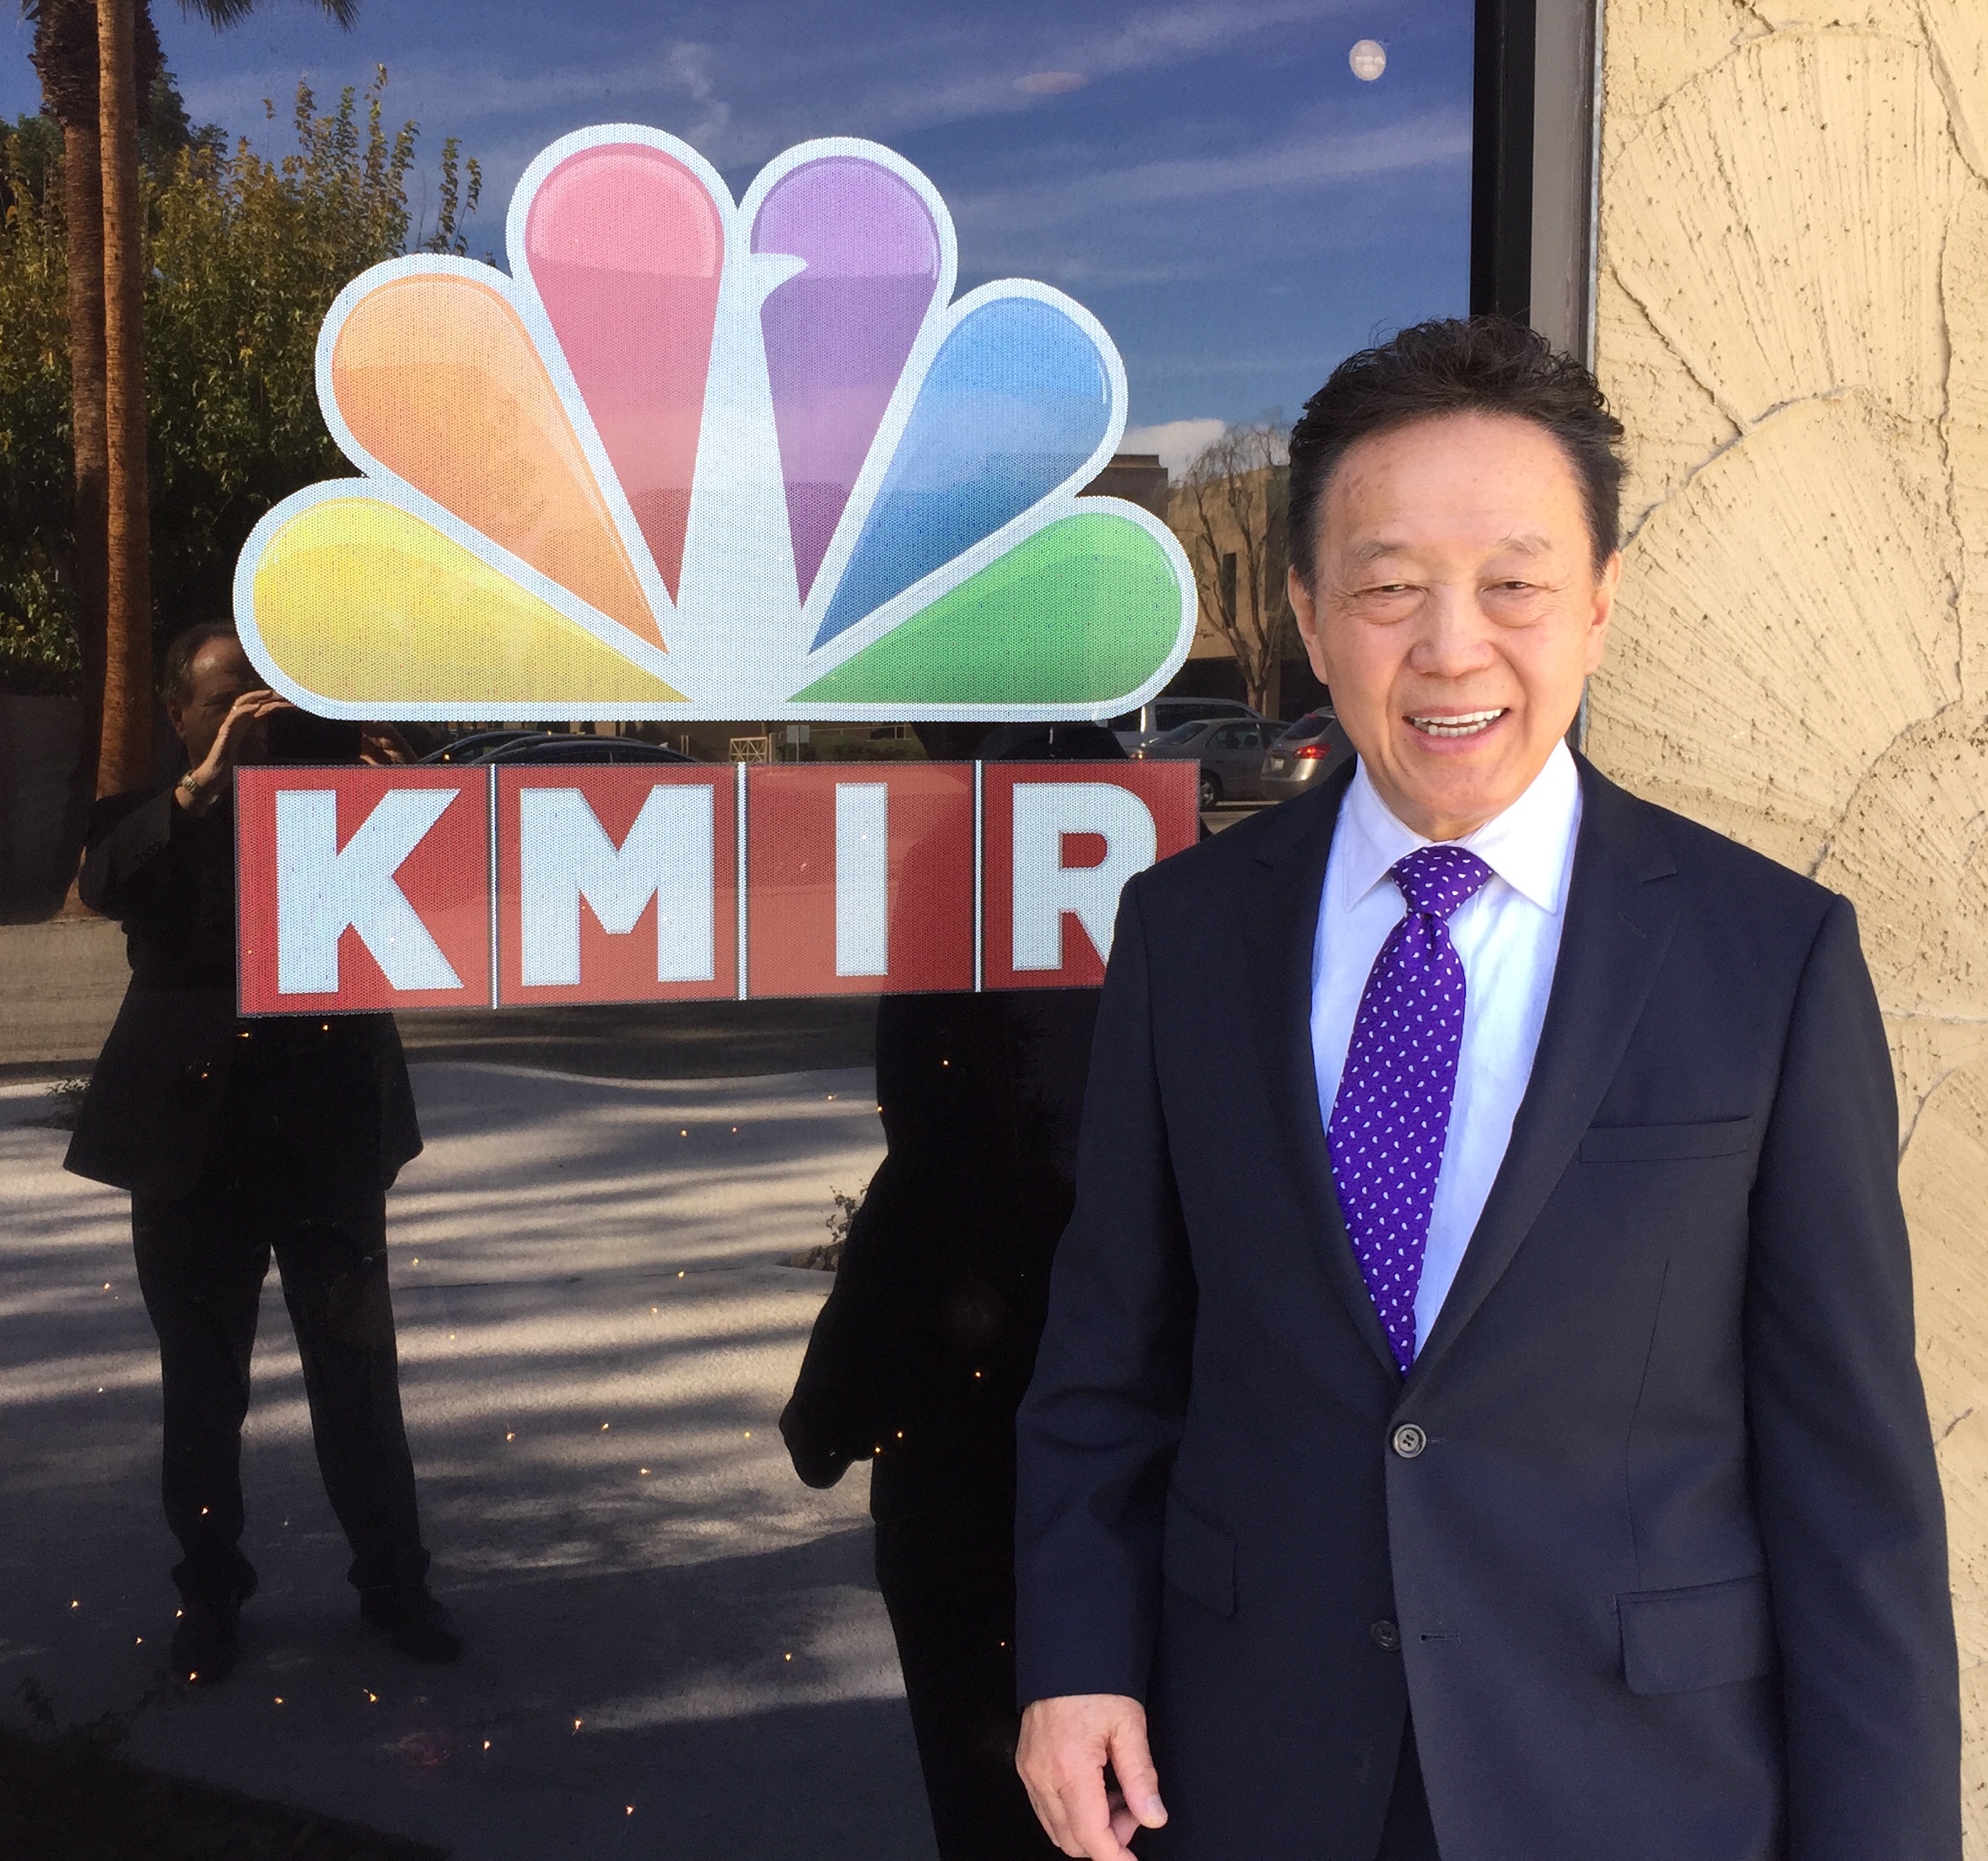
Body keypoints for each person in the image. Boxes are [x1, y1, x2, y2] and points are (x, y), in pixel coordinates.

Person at [1011, 319, 1960, 1861]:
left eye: (1513, 584)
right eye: (1389, 587)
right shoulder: (1187, 933)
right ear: (1310, 618)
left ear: (1598, 604)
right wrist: (1075, 1658)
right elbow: (1108, 1356)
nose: (1451, 648)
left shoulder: (1766, 957)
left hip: (1636, 1788)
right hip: (1254, 1764)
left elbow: (1851, 1491)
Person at [64, 620, 459, 1685]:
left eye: (274, 694)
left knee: (359, 1382)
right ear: (177, 713)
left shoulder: (347, 799)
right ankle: (209, 1598)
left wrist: (411, 795)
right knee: (201, 1392)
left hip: (328, 1137)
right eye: (230, 696)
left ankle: (396, 1586)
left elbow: (452, 900)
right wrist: (200, 788)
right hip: (190, 1151)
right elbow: (103, 881)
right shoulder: (148, 814)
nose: (258, 714)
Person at [782, 722, 1122, 1861]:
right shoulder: (1139, 843)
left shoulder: (976, 852)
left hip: (978, 1451)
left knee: (998, 1792)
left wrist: (838, 1401)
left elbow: (932, 1152)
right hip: (1093, 1434)